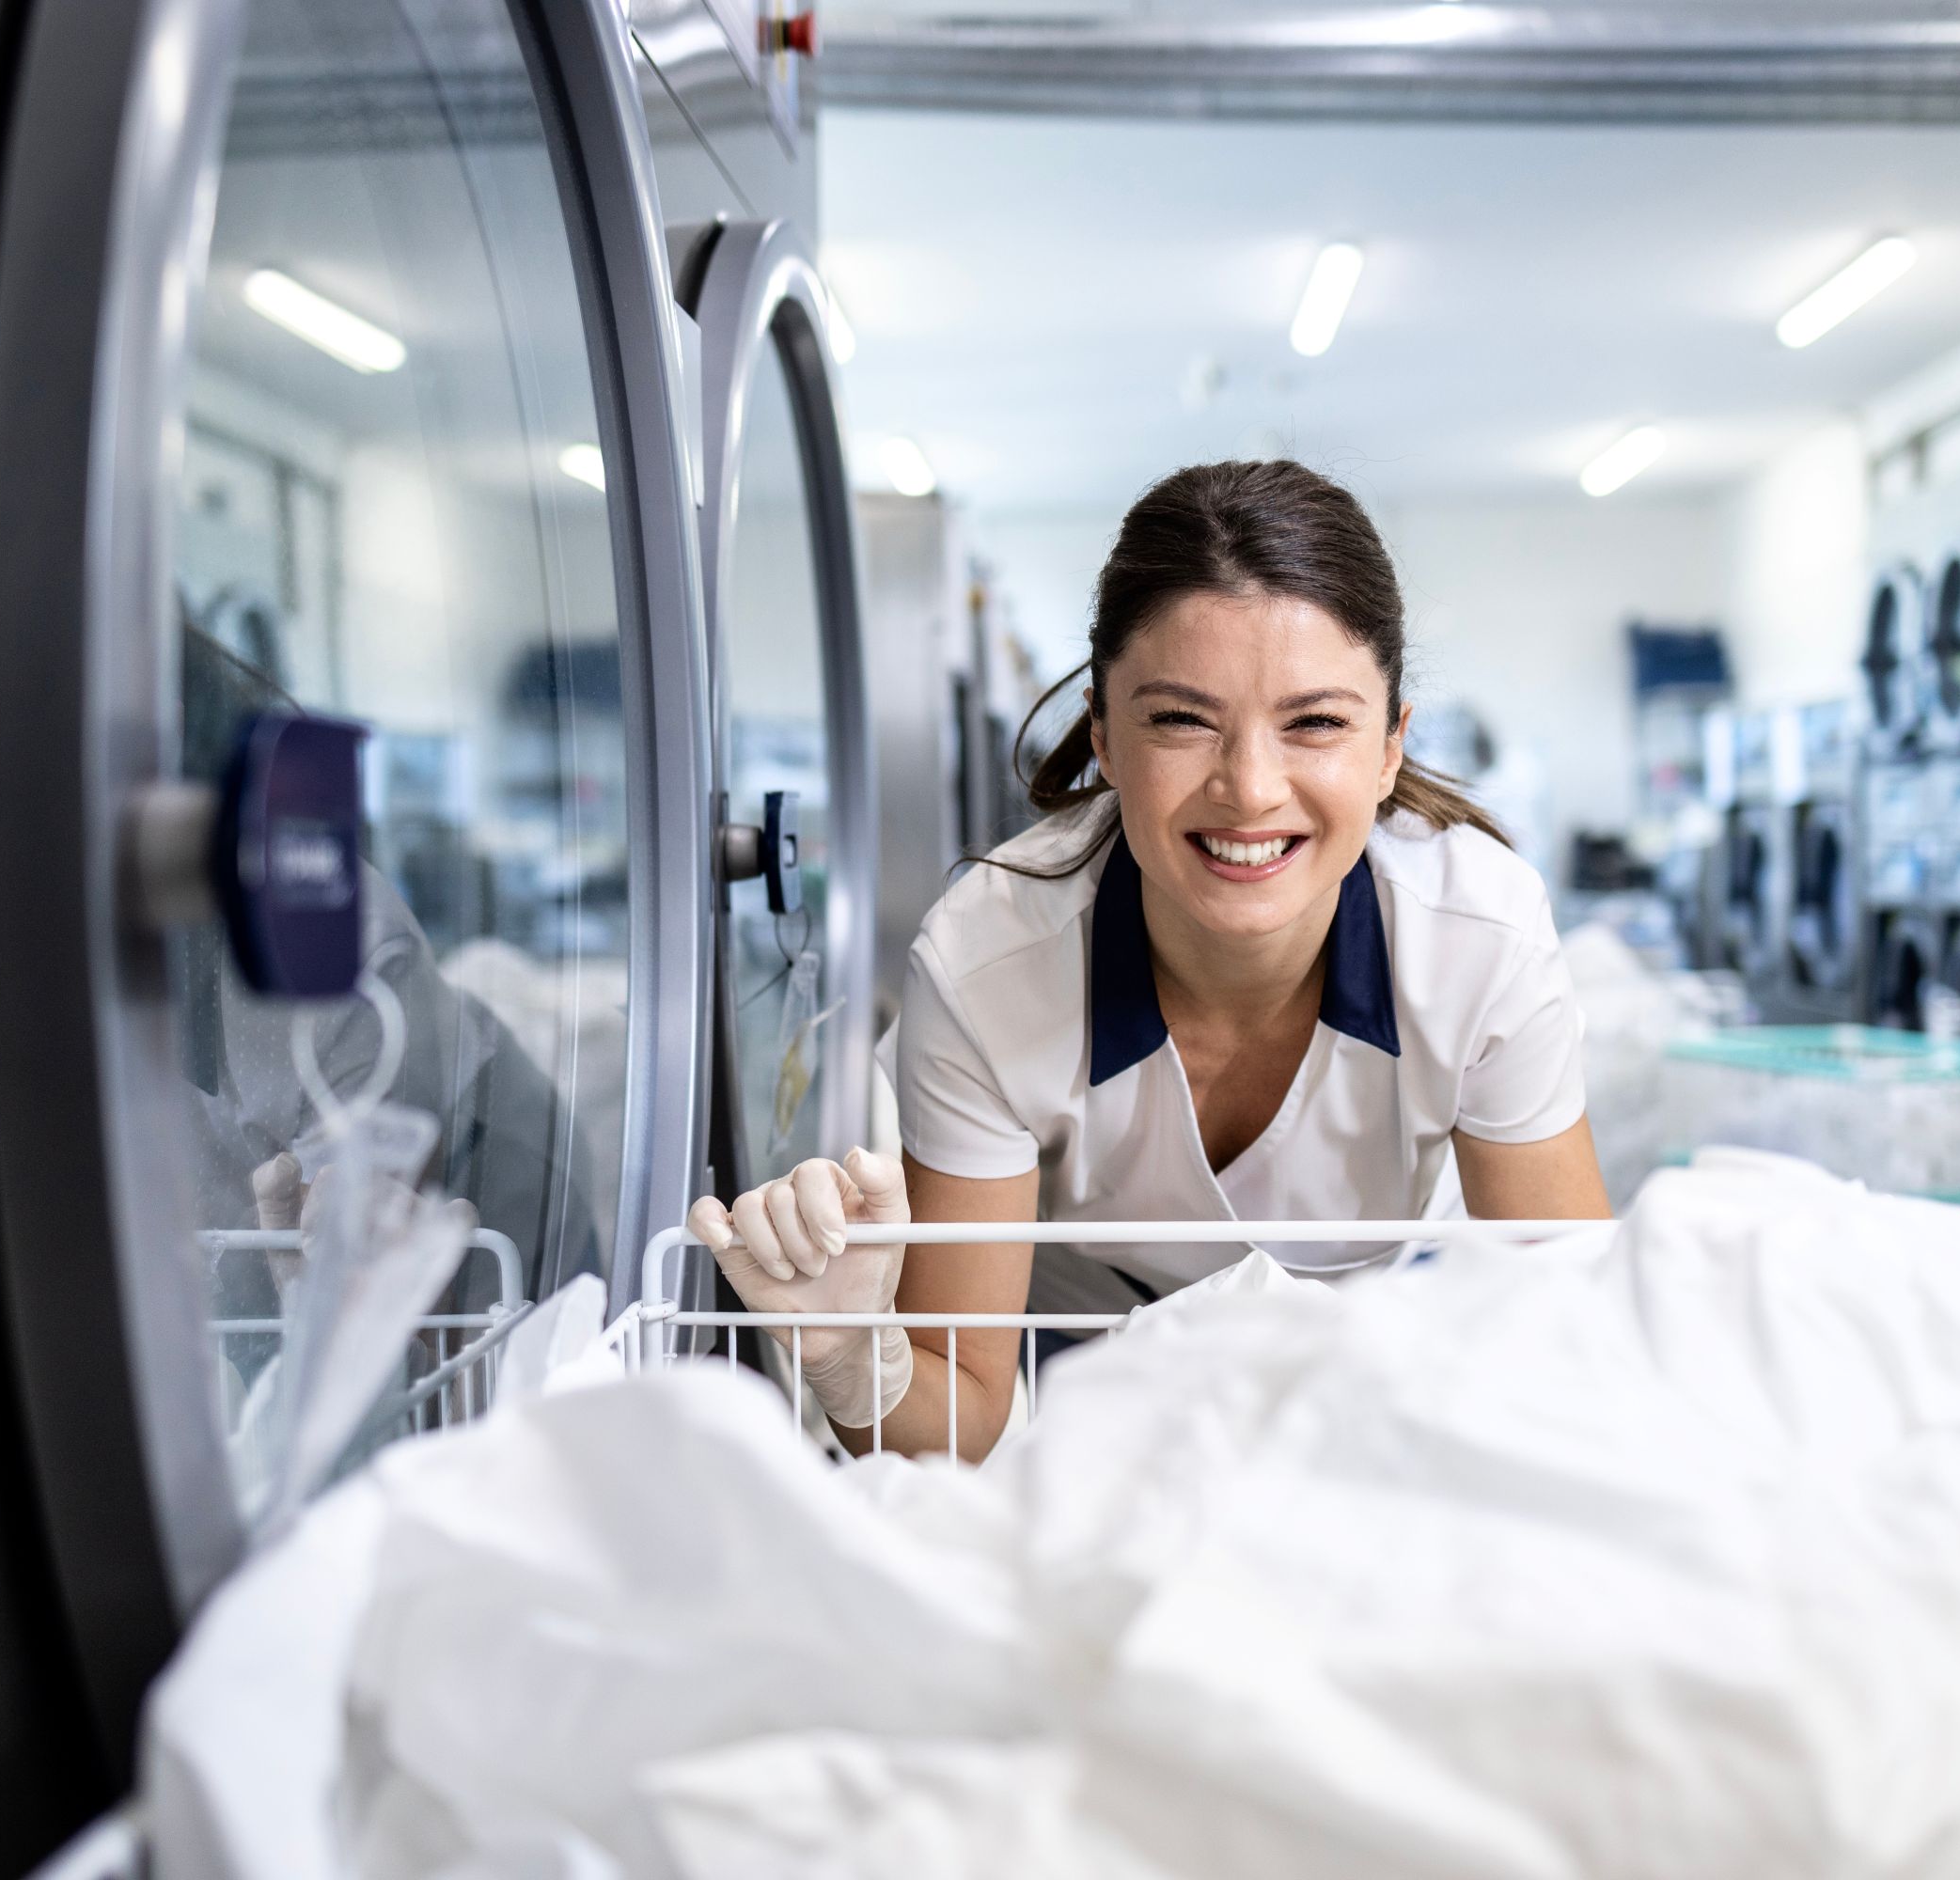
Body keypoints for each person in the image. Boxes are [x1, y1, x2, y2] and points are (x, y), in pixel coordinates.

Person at [685, 461, 1608, 1458]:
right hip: (1087, 1382)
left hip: (1358, 1359)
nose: (1250, 789)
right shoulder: (990, 963)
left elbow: (1575, 1350)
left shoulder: (1479, 936)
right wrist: (854, 1355)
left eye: (1315, 723)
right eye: (1182, 719)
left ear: (1389, 747)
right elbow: (956, 1426)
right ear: (1104, 736)